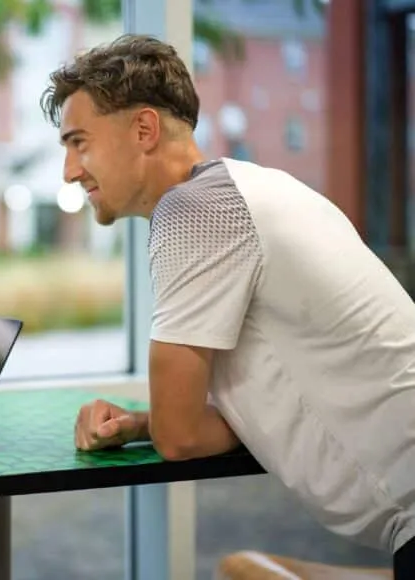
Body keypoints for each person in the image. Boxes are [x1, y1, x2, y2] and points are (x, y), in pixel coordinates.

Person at [42, 34, 415, 578]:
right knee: (243, 569)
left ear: (144, 129)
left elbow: (180, 438)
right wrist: (142, 423)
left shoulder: (196, 212)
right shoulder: (256, 187)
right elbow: (239, 418)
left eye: (79, 143)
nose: (70, 171)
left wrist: (160, 426)